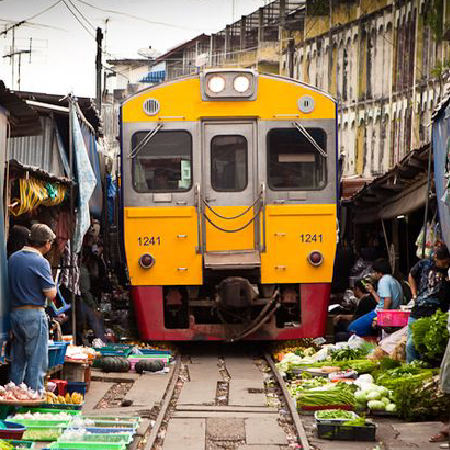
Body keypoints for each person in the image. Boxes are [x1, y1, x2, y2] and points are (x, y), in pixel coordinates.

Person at [9, 224, 57, 393]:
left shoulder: (13, 258)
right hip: (33, 315)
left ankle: (14, 398)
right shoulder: (40, 262)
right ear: (46, 243)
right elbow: (51, 294)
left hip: (15, 314)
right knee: (36, 361)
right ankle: (34, 398)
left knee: (18, 361)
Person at [406, 246, 450, 363]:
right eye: (441, 262)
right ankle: (412, 369)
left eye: (446, 262)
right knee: (410, 346)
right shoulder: (425, 264)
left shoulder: (448, 270)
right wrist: (414, 294)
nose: (443, 264)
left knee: (412, 344)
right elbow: (411, 275)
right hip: (418, 309)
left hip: (435, 313)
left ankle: (415, 368)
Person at [348, 258, 404, 337]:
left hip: (380, 313)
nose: (373, 274)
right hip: (392, 314)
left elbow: (388, 301)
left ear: (380, 273)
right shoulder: (395, 281)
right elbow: (382, 302)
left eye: (374, 272)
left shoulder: (383, 281)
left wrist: (381, 318)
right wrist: (372, 291)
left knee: (353, 328)